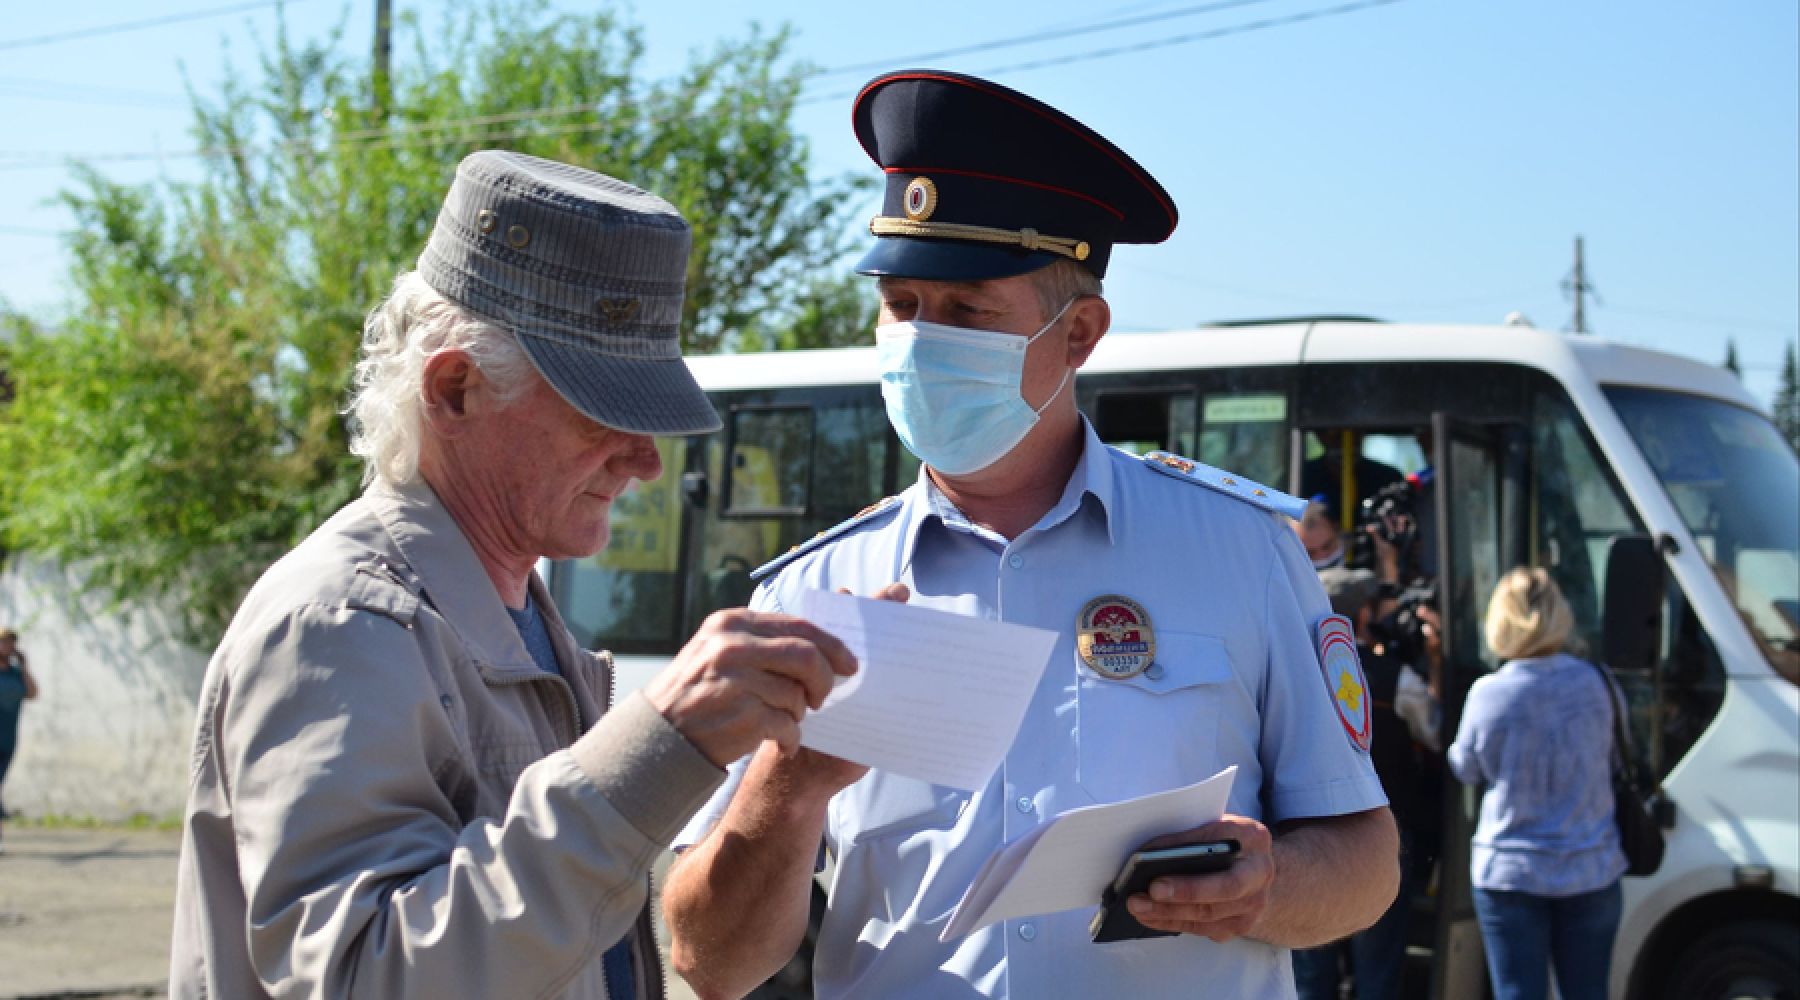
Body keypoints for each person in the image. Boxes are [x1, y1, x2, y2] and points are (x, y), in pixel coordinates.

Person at [662, 69, 1399, 1000]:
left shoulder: (1244, 553)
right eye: (901, 307)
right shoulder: (812, 595)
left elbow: (1366, 862)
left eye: (968, 312)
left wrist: (1268, 887)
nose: (922, 343)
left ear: (1080, 333)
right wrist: (788, 789)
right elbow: (708, 962)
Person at [169, 151, 860, 1000]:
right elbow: (362, 977)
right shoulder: (341, 624)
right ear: (454, 389)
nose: (645, 461)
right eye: (604, 412)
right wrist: (659, 747)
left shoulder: (512, 614)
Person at [1448, 567, 1627, 1000]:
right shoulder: (1597, 681)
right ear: (1560, 615)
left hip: (1511, 870)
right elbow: (1617, 758)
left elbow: (1466, 769)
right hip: (1591, 864)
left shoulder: (1489, 692)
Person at [1291, 568, 1440, 1000]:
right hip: (1381, 842)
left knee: (1311, 977)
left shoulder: (1288, 676)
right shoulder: (1396, 679)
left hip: (1303, 839)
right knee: (1378, 972)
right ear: (1362, 616)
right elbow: (1435, 731)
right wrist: (1435, 662)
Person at [0, 626, 39, 852]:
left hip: (7, 742)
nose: (8, 646)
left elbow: (33, 693)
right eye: (4, 642)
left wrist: (24, 667)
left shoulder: (16, 674)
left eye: (11, 642)